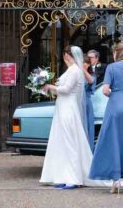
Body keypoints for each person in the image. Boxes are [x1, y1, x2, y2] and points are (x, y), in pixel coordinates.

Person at [39, 47, 109, 189]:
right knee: (63, 142)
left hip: (68, 109)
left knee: (70, 143)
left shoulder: (75, 71)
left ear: (68, 56)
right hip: (63, 107)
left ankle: (74, 178)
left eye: (65, 55)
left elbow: (66, 90)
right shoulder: (72, 70)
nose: (64, 57)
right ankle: (64, 175)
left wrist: (49, 86)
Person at [88, 42, 123, 194]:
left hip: (115, 106)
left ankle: (116, 181)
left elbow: (105, 90)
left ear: (116, 54)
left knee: (114, 141)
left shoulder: (112, 68)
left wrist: (116, 94)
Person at [81, 55, 97, 150]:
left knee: (87, 127)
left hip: (86, 103)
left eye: (86, 63)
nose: (84, 64)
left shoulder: (92, 75)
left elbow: (91, 81)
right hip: (76, 102)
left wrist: (83, 70)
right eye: (83, 62)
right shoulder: (75, 73)